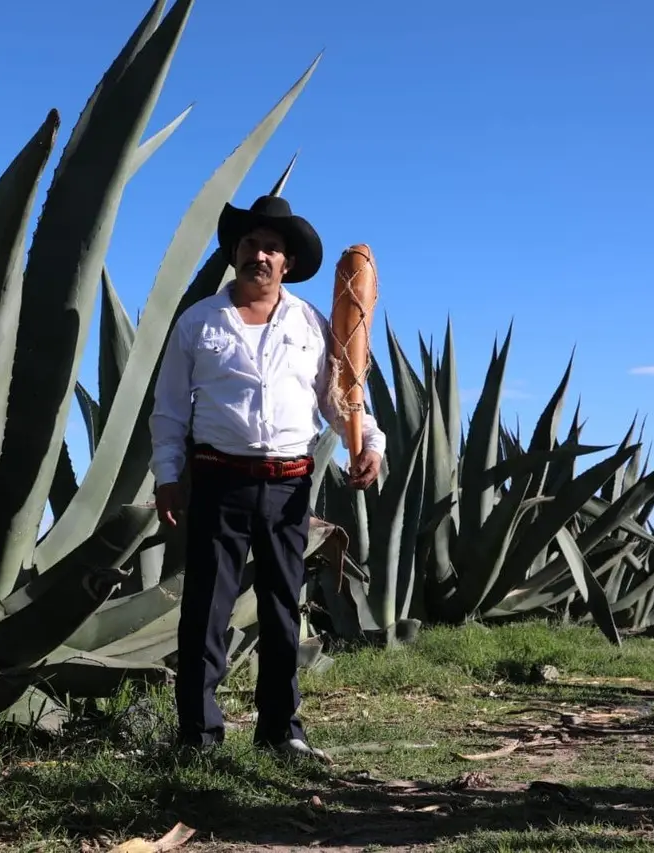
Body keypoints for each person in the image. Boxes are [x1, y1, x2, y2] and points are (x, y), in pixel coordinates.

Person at [149, 194, 386, 761]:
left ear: (287, 263)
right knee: (206, 607)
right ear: (235, 253)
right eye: (253, 244)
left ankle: (282, 732)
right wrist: (167, 474)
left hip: (288, 483)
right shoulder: (198, 322)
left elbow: (340, 397)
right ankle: (199, 737)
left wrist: (368, 442)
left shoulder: (310, 323)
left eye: (273, 249)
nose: (262, 255)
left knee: (283, 606)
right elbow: (169, 409)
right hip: (217, 479)